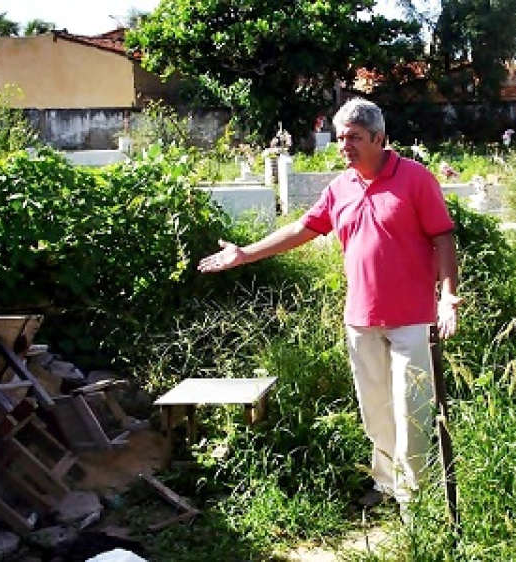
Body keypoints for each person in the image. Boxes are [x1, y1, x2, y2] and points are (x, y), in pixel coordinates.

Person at [198, 98, 461, 516]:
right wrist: (245, 253)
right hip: (360, 319)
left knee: (413, 412)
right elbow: (304, 228)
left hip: (414, 319)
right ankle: (386, 483)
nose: (344, 146)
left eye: (354, 138)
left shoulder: (415, 179)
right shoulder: (340, 187)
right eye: (340, 138)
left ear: (379, 138)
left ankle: (416, 501)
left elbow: (443, 237)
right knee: (375, 410)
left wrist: (448, 297)